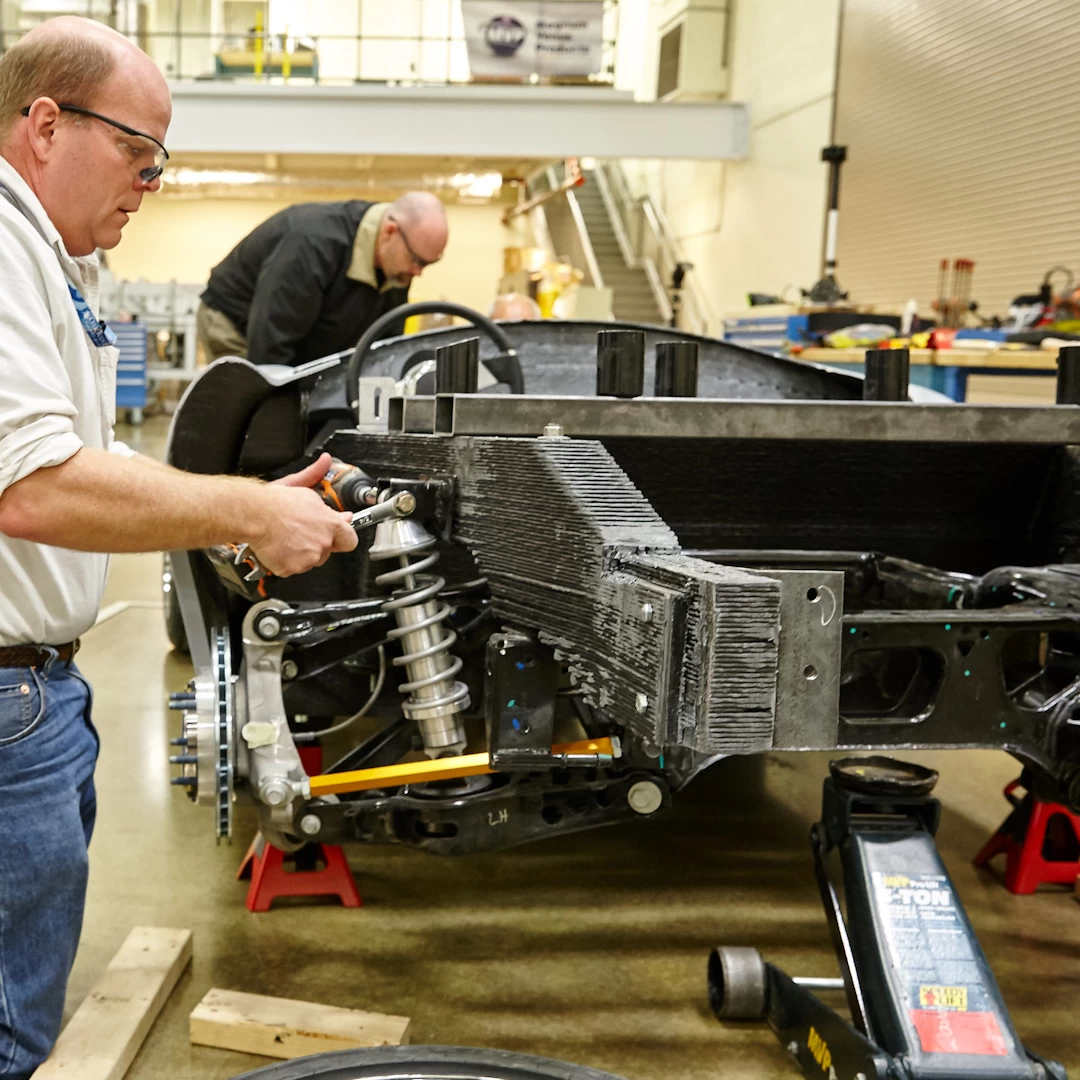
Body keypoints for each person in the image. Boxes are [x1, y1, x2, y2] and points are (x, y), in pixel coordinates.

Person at [0, 18, 357, 1077]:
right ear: (47, 123)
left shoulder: (49, 258)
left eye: (164, 163)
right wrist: (245, 514)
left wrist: (240, 499)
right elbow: (32, 486)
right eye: (139, 154)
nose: (151, 181)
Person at [197, 191, 449, 367]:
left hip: (297, 328)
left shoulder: (398, 266)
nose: (419, 272)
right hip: (234, 322)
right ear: (389, 232)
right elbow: (270, 347)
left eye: (429, 264)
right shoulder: (312, 245)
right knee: (247, 413)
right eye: (418, 260)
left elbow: (382, 347)